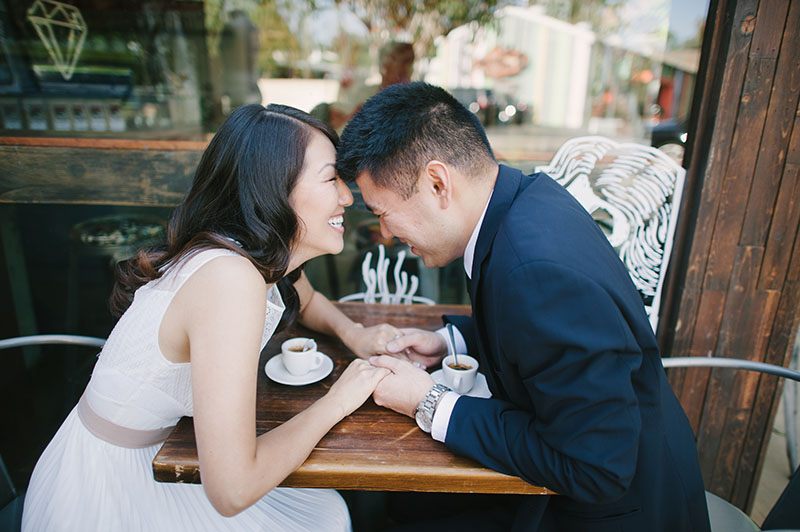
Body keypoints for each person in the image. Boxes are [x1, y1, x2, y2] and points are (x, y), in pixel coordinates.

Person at [335, 82, 711, 531]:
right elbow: (540, 330)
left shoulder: (537, 271)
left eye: (382, 213)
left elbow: (595, 468)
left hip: (616, 509)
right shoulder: (523, 200)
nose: (387, 233)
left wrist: (429, 401)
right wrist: (447, 341)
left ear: (438, 183)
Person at [22, 103, 397, 531]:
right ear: (274, 189)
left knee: (329, 512)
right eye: (332, 179)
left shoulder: (251, 252)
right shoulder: (229, 278)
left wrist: (356, 334)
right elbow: (233, 490)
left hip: (163, 454)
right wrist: (339, 402)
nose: (348, 197)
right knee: (328, 518)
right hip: (112, 487)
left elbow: (304, 298)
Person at [316, 41, 415, 132]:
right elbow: (339, 127)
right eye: (399, 61)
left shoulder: (414, 101)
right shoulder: (363, 95)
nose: (404, 68)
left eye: (408, 61)